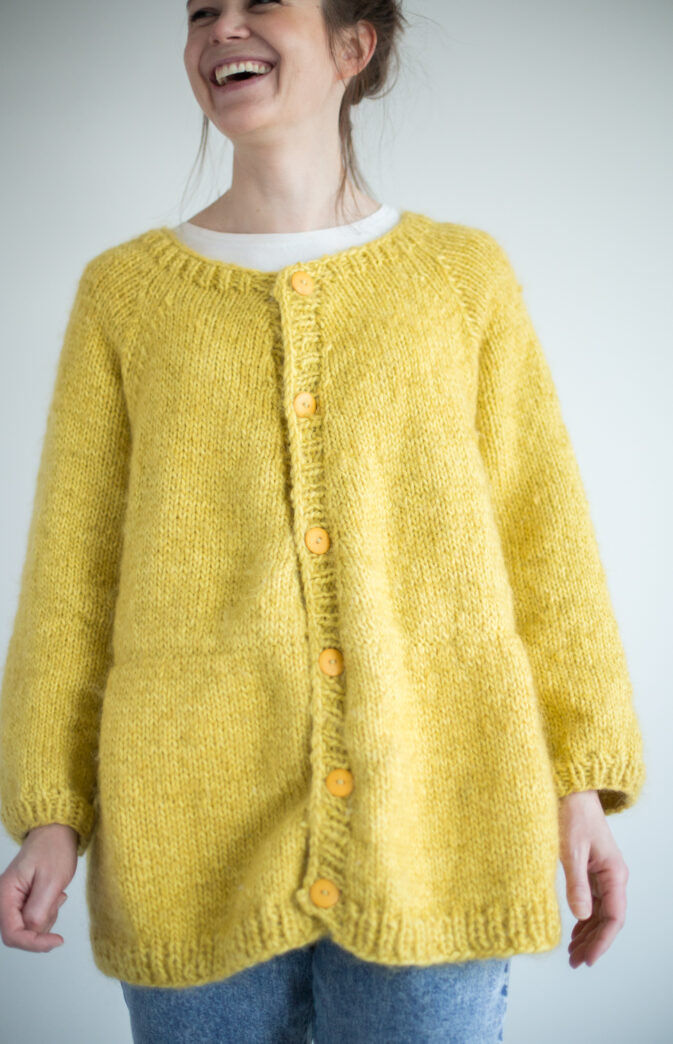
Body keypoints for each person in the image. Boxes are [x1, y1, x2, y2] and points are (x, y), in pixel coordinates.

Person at [0, 2, 646, 1042]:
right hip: (187, 835)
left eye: (260, 3)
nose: (223, 27)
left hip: (440, 823)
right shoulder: (125, 296)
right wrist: (49, 810)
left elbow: (546, 541)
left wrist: (579, 782)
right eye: (202, 11)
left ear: (356, 45)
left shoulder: (460, 278)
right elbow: (72, 573)